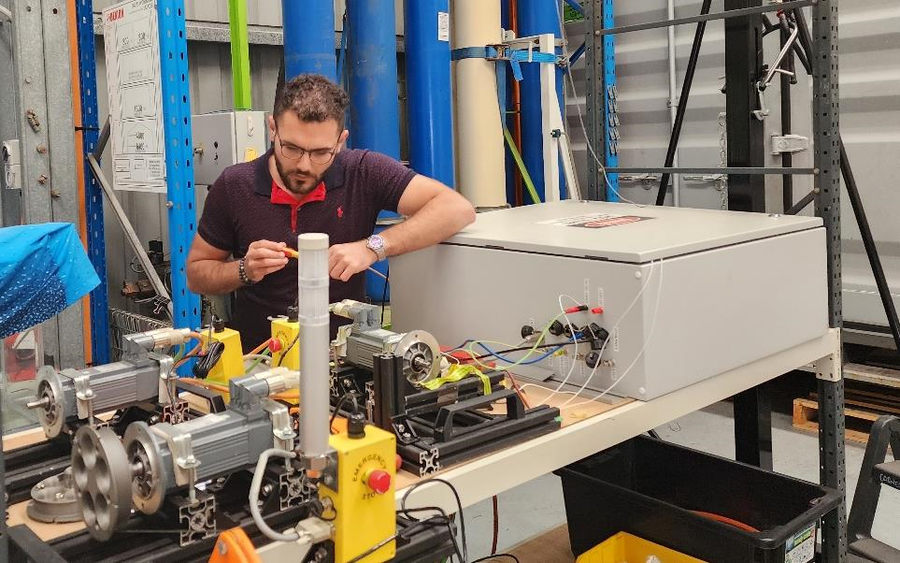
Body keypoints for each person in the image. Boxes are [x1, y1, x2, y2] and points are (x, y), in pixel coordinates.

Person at [186, 74, 476, 351]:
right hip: (258, 361)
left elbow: (456, 208)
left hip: (343, 366)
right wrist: (244, 270)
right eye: (291, 148)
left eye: (320, 153)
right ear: (272, 128)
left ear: (341, 140)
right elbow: (197, 274)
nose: (304, 165)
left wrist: (373, 247)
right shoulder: (235, 185)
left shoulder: (363, 172)